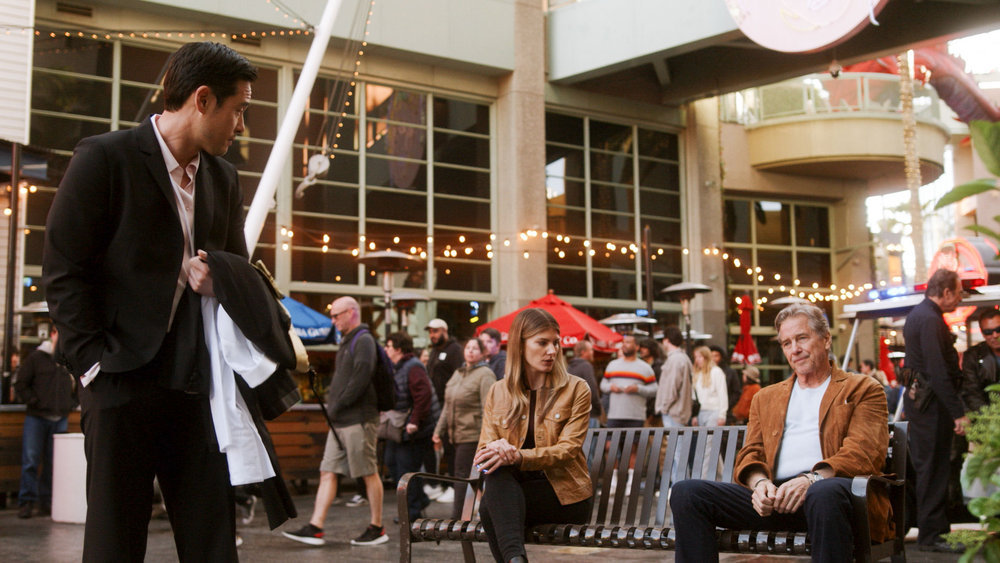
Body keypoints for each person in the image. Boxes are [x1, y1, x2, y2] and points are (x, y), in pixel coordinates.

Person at [42, 41, 256, 562]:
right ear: (203, 100)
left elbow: (240, 271)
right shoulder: (105, 158)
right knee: (115, 541)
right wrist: (92, 364)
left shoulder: (224, 179)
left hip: (197, 385)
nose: (242, 124)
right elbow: (64, 271)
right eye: (239, 109)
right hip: (119, 381)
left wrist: (220, 277)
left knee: (212, 540)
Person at [670, 303, 890, 562]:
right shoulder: (766, 397)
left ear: (826, 339)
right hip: (777, 498)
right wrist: (759, 484)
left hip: (833, 498)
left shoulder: (862, 388)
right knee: (687, 493)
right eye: (786, 343)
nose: (794, 349)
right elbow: (751, 452)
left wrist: (811, 480)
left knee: (824, 493)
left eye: (802, 338)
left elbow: (864, 453)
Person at [474, 308, 593, 563]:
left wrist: (517, 456)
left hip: (565, 495)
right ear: (520, 345)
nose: (552, 351)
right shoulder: (498, 391)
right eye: (542, 342)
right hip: (512, 493)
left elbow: (568, 450)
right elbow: (484, 450)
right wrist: (498, 449)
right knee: (496, 478)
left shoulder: (576, 389)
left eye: (555, 343)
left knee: (490, 505)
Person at [283, 296, 387, 546]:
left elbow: (361, 378)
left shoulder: (363, 340)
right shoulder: (349, 341)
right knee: (327, 471)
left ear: (352, 313)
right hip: (342, 420)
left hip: (358, 419)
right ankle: (315, 526)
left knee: (368, 472)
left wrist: (338, 405)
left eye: (336, 315)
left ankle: (377, 527)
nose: (333, 320)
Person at [902, 268, 971, 553]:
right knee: (933, 467)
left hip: (923, 403)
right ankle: (932, 533)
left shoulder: (919, 315)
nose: (959, 298)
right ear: (945, 292)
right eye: (958, 292)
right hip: (932, 406)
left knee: (931, 467)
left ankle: (936, 530)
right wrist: (958, 412)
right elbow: (938, 371)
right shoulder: (930, 319)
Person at [15, 326, 77, 519]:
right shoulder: (36, 358)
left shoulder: (69, 360)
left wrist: (71, 404)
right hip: (37, 417)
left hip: (60, 417)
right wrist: (34, 401)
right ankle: (26, 502)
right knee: (31, 461)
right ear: (52, 334)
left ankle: (46, 502)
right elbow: (21, 384)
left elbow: (79, 385)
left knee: (53, 464)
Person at [433, 337, 496, 519]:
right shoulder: (458, 373)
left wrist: (487, 438)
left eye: (475, 348)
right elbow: (447, 406)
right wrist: (438, 432)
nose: (470, 351)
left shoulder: (485, 374)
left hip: (472, 434)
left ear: (483, 353)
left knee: (462, 475)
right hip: (456, 434)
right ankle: (468, 514)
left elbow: (488, 408)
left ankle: (459, 517)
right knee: (465, 475)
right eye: (468, 347)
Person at [383, 331, 440, 521]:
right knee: (391, 461)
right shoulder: (397, 367)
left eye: (389, 346)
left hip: (416, 429)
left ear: (398, 349)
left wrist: (414, 422)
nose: (386, 349)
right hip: (401, 428)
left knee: (406, 468)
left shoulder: (413, 366)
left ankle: (412, 512)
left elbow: (423, 396)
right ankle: (421, 499)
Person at [424, 317, 463, 501]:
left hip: (449, 405)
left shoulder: (455, 350)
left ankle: (454, 486)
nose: (433, 335)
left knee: (450, 447)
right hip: (435, 405)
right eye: (431, 332)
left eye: (436, 331)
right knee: (439, 445)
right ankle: (440, 483)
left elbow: (460, 375)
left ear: (445, 331)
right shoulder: (433, 352)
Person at [600, 334, 657, 428]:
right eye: (623, 342)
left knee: (634, 443)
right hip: (614, 415)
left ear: (637, 347)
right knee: (610, 443)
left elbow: (654, 390)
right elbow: (603, 385)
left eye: (628, 342)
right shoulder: (612, 365)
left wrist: (638, 389)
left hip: (636, 417)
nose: (624, 345)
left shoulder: (645, 367)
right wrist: (611, 387)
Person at [960, 308, 1000, 414]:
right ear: (982, 334)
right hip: (988, 418)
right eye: (988, 332)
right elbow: (971, 391)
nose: (995, 335)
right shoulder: (973, 356)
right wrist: (988, 417)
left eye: (998, 329)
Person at [655, 326, 693, 430]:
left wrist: (663, 407)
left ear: (666, 340)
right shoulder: (683, 357)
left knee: (675, 445)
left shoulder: (675, 359)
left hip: (674, 412)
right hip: (679, 411)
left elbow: (672, 387)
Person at [567, 340, 602, 427]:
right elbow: (592, 390)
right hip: (589, 413)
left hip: (574, 413)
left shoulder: (570, 367)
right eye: (591, 350)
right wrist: (598, 408)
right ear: (583, 352)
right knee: (592, 440)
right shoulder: (586, 366)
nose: (592, 352)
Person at [710, 344, 742, 423]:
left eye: (716, 356)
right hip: (709, 411)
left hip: (726, 412)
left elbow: (737, 392)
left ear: (721, 357)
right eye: (711, 356)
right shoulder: (704, 372)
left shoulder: (730, 372)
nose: (713, 359)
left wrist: (728, 404)